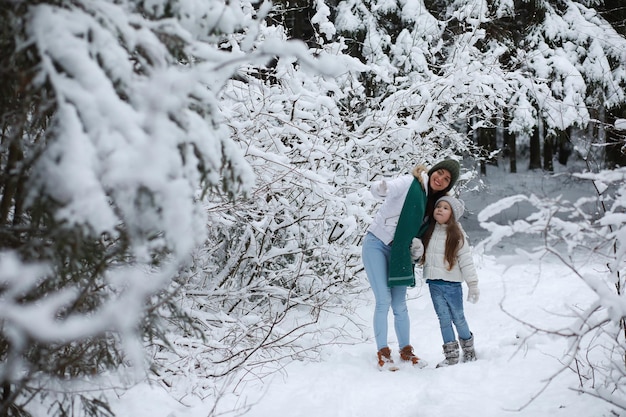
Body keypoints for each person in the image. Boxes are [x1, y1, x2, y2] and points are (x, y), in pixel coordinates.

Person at [362, 159, 461, 371]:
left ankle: (406, 352)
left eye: (446, 179)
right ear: (433, 170)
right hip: (376, 244)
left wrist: (417, 251)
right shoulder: (410, 183)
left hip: (400, 253)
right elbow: (385, 189)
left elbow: (422, 238)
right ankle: (383, 352)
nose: (440, 179)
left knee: (399, 305)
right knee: (383, 300)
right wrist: (382, 187)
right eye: (440, 173)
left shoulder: (433, 207)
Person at [416, 195, 479, 367]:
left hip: (452, 285)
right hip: (434, 284)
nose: (440, 209)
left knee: (458, 318)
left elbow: (466, 260)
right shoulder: (428, 231)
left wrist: (473, 285)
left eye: (445, 207)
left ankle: (469, 350)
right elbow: (421, 254)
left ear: (452, 214)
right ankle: (451, 356)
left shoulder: (456, 234)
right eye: (438, 206)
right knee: (443, 319)